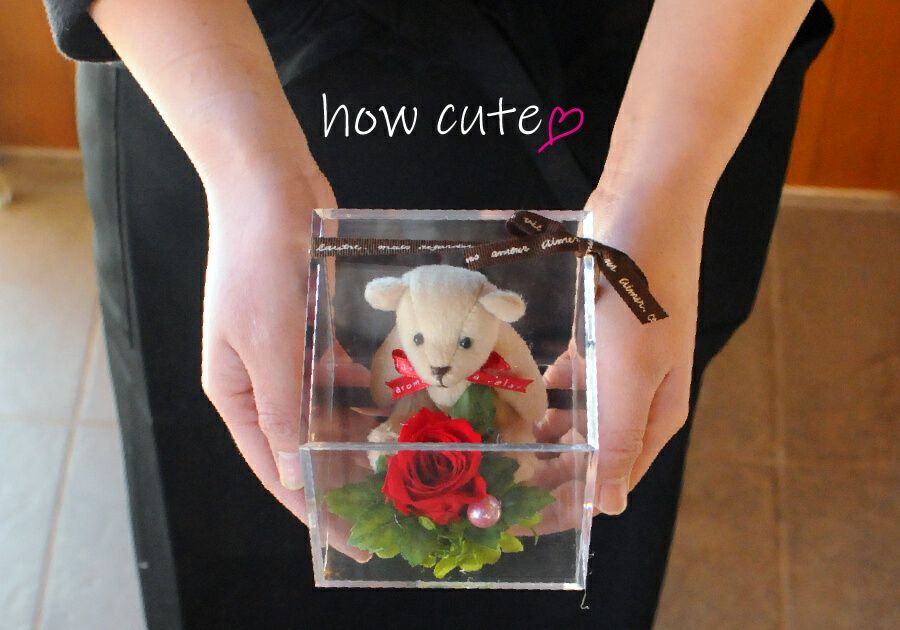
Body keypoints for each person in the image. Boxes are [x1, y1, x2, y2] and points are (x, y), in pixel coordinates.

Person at [43, 0, 833, 627]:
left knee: (589, 481)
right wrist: (248, 175)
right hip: (215, 65)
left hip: (661, 78)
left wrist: (656, 190)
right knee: (240, 502)